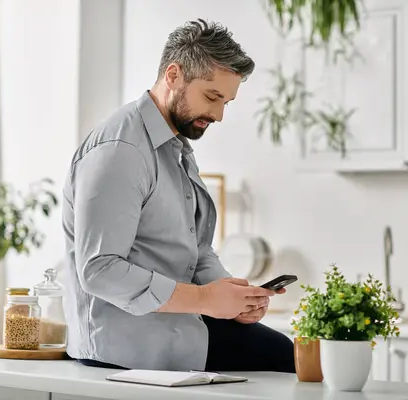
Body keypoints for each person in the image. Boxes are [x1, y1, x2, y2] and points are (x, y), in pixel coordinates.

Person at [61, 18, 295, 373]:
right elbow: (99, 269)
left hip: (182, 330)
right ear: (173, 75)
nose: (217, 114)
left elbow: (195, 251)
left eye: (226, 102)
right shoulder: (121, 150)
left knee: (289, 358)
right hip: (125, 347)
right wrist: (203, 299)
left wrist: (232, 296)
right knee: (284, 362)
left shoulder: (174, 147)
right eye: (212, 96)